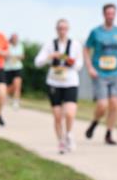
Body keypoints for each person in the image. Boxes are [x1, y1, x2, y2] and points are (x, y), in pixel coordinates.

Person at [84, 3, 117, 146]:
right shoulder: (96, 32)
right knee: (102, 105)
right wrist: (90, 67)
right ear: (104, 14)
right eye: (108, 13)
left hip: (116, 73)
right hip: (100, 73)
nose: (110, 16)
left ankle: (109, 133)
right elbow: (86, 50)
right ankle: (95, 122)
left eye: (113, 13)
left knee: (115, 104)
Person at [35, 19, 83, 154]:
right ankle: (60, 142)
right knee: (57, 115)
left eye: (65, 28)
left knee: (69, 113)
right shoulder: (50, 44)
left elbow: (79, 65)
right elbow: (37, 62)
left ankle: (69, 134)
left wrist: (70, 61)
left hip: (70, 81)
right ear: (56, 29)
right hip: (54, 82)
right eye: (60, 28)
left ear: (68, 29)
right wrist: (50, 56)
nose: (62, 31)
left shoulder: (75, 45)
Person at [4, 33, 25, 109]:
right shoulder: (7, 45)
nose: (15, 39)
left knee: (17, 85)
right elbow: (5, 56)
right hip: (8, 68)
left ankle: (16, 101)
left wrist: (15, 57)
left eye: (16, 38)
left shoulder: (20, 45)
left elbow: (22, 56)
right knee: (9, 86)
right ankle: (7, 96)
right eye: (14, 38)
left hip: (17, 68)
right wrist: (8, 56)